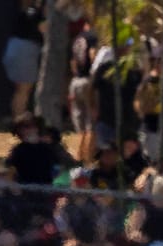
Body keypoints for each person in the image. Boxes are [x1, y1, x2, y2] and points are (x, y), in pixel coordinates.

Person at [55, 166, 119, 246]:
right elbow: (64, 230)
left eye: (84, 182)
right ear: (71, 183)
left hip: (95, 240)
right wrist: (84, 245)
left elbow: (103, 226)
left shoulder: (98, 203)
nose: (81, 185)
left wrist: (98, 244)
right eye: (78, 182)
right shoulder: (63, 205)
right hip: (74, 240)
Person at [2, 0, 45, 118]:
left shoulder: (27, 12)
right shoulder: (35, 13)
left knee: (21, 90)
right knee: (23, 90)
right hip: (25, 50)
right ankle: (18, 120)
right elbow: (44, 30)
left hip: (16, 48)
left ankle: (18, 118)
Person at [69, 20, 98, 164]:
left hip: (76, 81)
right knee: (91, 123)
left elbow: (73, 62)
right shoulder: (93, 37)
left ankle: (78, 158)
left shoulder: (78, 37)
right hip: (88, 81)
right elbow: (93, 55)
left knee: (79, 124)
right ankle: (88, 159)